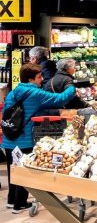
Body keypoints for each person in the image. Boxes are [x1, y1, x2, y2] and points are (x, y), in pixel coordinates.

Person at [2, 63, 77, 213]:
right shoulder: (35, 93)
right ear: (31, 79)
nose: (41, 79)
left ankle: (12, 200)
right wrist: (71, 86)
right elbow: (60, 98)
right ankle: (19, 204)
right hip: (25, 139)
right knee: (24, 171)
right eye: (39, 77)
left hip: (10, 138)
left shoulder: (12, 93)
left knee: (14, 169)